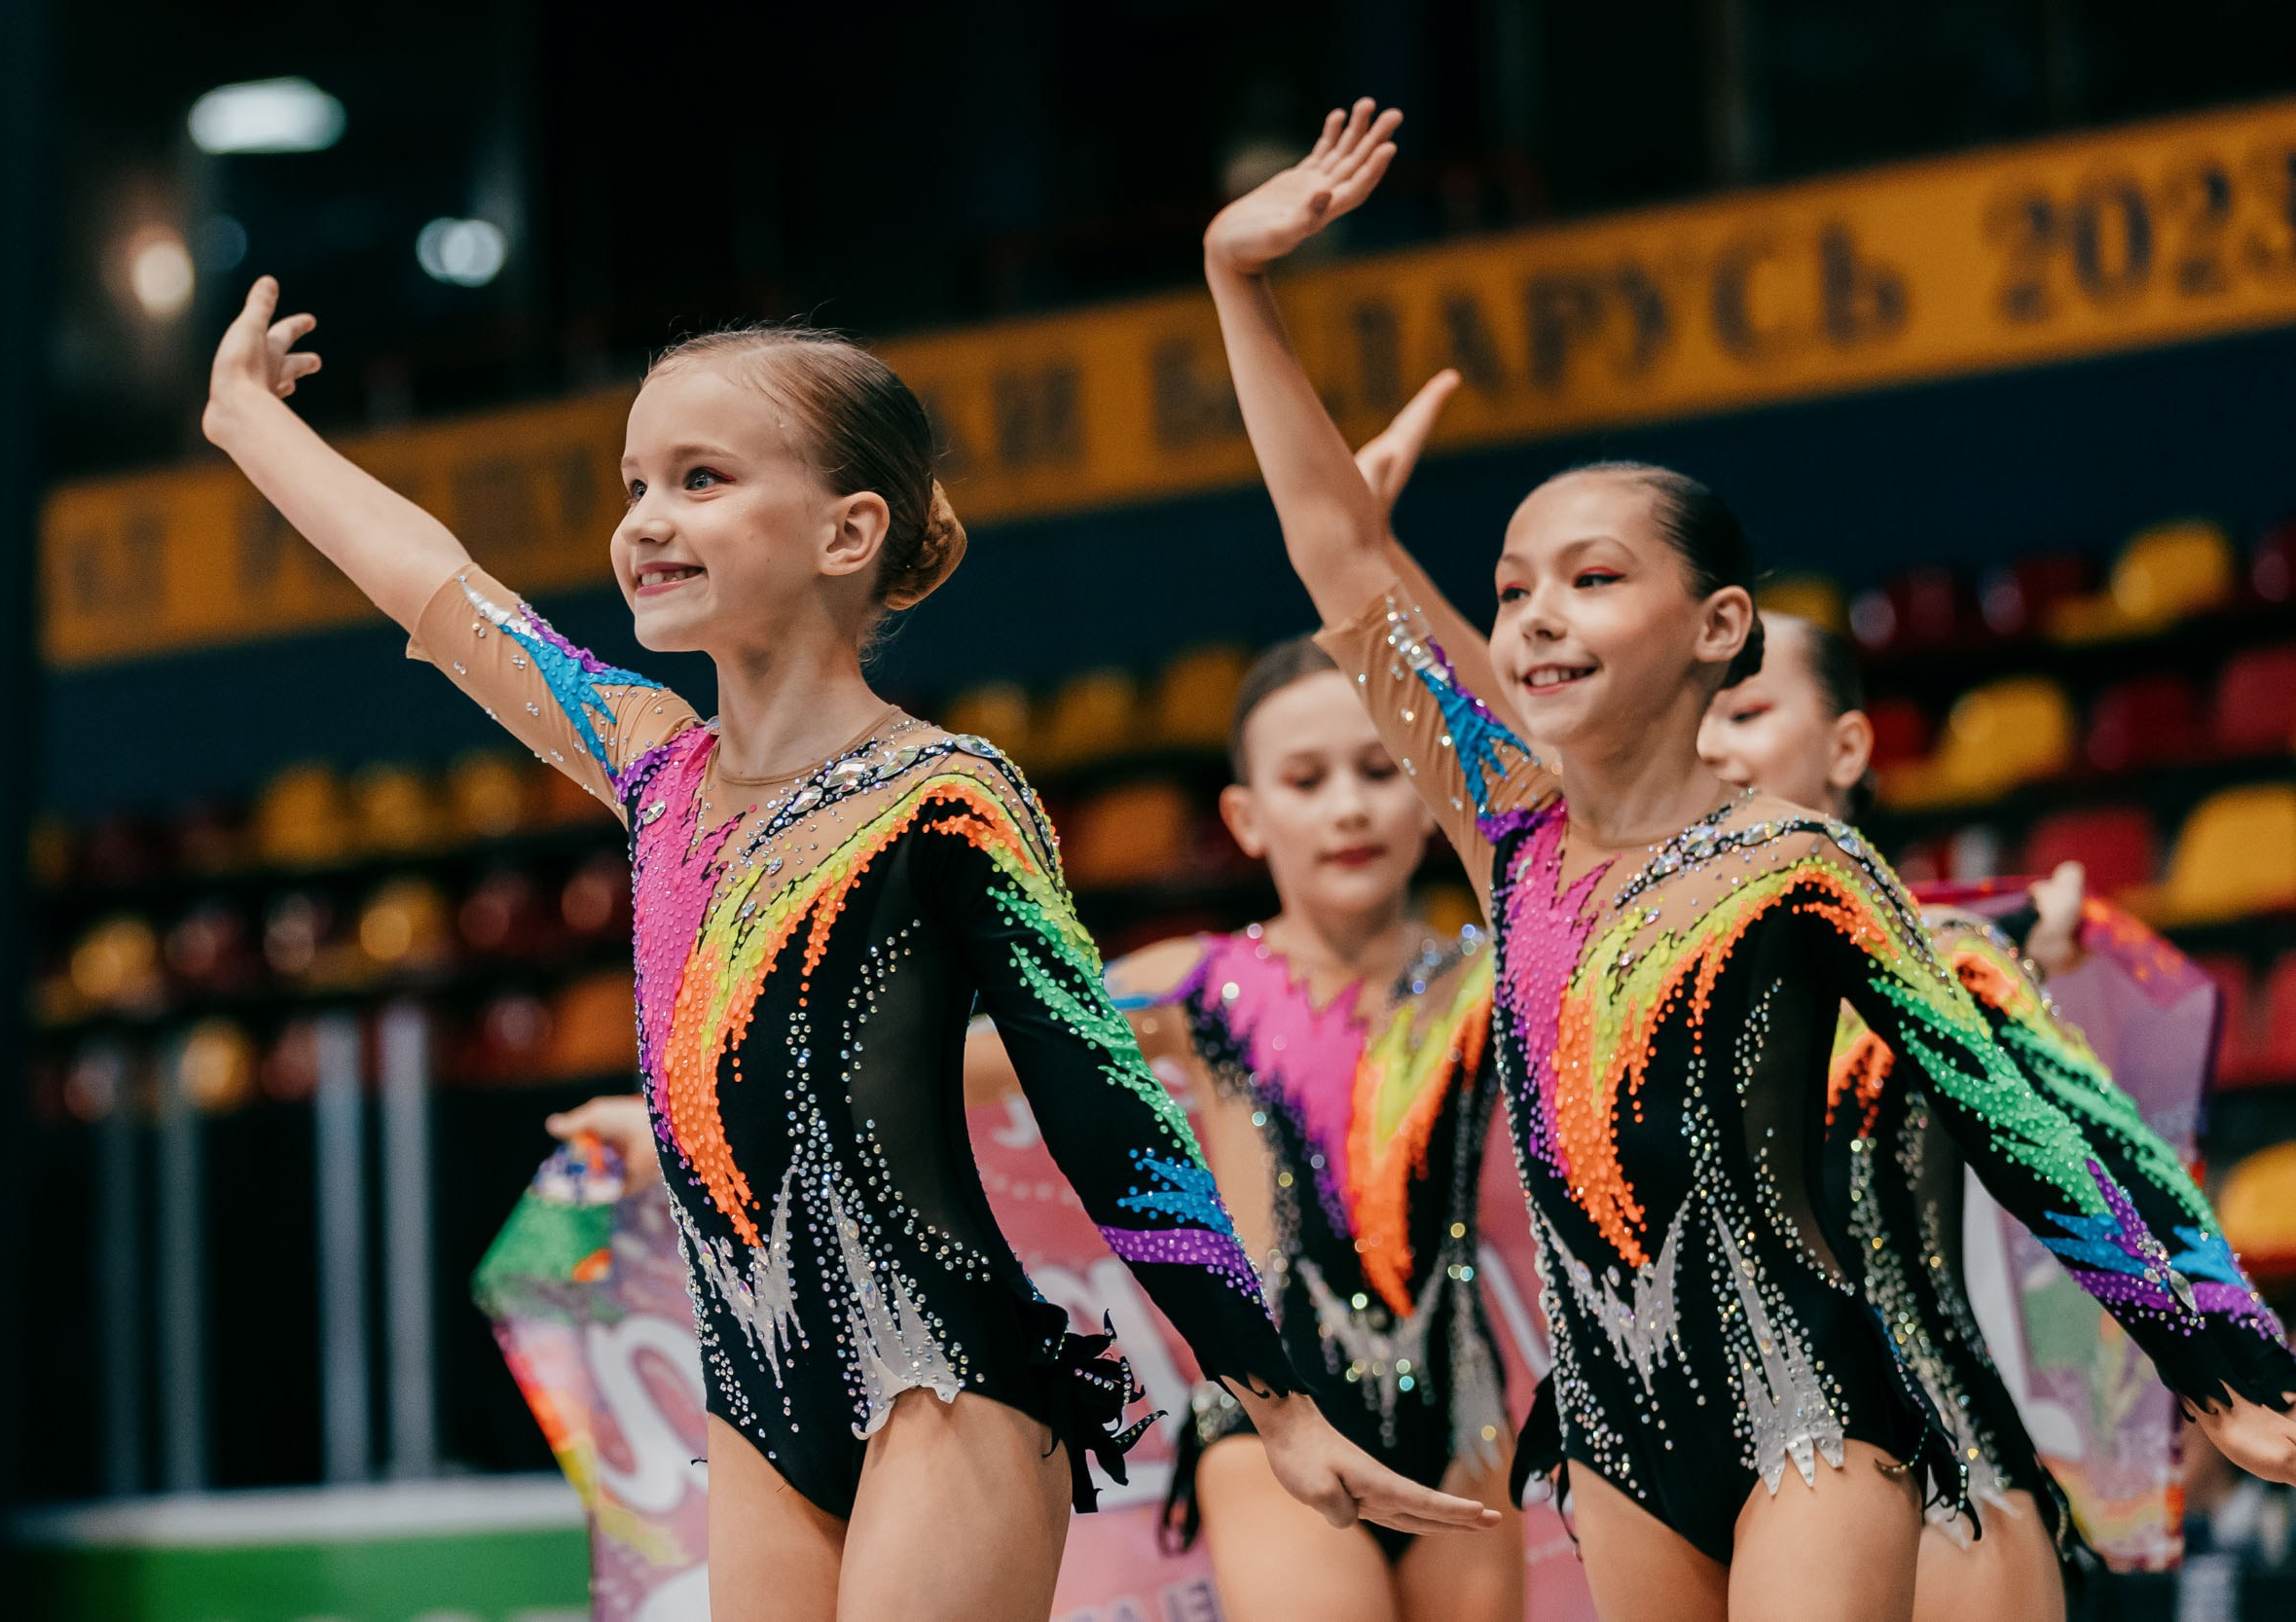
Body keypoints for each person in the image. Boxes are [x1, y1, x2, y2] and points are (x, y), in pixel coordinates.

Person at [200, 279, 1490, 1622]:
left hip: (949, 1388)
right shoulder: (652, 768)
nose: (645, 519)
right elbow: (439, 586)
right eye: (635, 483)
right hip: (758, 1403)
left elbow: (1105, 1111)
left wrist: (1273, 1399)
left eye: (700, 478)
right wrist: (247, 420)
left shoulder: (949, 796)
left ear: (848, 529)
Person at [1199, 99, 2296, 1622]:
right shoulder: (1507, 830)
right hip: (1613, 1431)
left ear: (1720, 627)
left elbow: (2010, 1115)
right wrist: (1237, 283)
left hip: (1812, 1408)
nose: (1536, 615)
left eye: (1593, 578)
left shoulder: (1793, 861)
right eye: (1512, 591)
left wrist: (2207, 1359)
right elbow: (1338, 554)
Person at [559, 387, 1527, 1622]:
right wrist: (672, 1121)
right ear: (1244, 816)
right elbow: (942, 1056)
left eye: (1378, 771)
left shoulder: (1478, 980)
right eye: (1306, 777)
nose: (1347, 806)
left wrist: (1366, 568)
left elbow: (1545, 813)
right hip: (1248, 1402)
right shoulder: (1200, 981)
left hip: (1460, 1404)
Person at [1701, 613, 2288, 1619]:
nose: (1711, 746)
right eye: (1695, 720)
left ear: (1847, 746)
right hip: (1722, 1485)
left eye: (1746, 712)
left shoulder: (1944, 957)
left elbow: (2112, 1152)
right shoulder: (1658, 987)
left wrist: (2238, 1363)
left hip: (1941, 1482)